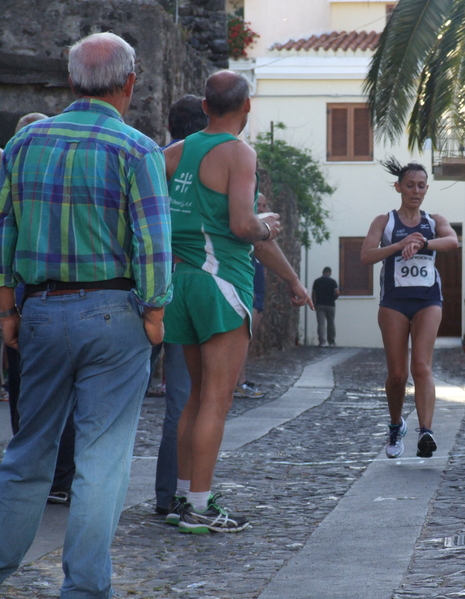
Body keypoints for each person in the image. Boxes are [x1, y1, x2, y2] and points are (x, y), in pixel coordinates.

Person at [0, 32, 172, 597]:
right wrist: (154, 314)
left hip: (41, 311)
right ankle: (85, 588)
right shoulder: (138, 149)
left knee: (29, 450)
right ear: (130, 81)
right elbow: (152, 243)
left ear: (70, 81)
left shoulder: (23, 145)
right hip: (115, 312)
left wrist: (7, 308)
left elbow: (6, 231)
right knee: (102, 458)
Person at [163, 70, 312, 533]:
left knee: (192, 398)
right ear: (247, 107)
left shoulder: (172, 153)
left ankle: (184, 497)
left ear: (205, 106)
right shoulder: (239, 154)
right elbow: (245, 227)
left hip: (180, 282)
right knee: (216, 400)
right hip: (221, 282)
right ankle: (202, 508)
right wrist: (267, 224)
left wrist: (289, 277)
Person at [361, 157, 458, 459]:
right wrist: (399, 247)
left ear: (426, 189)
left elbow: (453, 241)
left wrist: (423, 244)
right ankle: (395, 424)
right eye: (410, 185)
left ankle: (425, 431)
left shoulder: (433, 221)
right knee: (397, 375)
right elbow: (366, 255)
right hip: (394, 302)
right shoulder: (385, 221)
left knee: (421, 366)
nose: (415, 191)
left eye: (421, 186)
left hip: (428, 300)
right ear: (399, 187)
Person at [3, 112, 76, 506]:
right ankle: (59, 477)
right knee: (66, 395)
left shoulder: (16, 171)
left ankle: (34, 476)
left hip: (27, 299)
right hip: (54, 297)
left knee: (26, 392)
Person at [153, 95, 207, 518]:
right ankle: (173, 495)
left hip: (132, 289)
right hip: (180, 291)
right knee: (183, 401)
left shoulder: (151, 160)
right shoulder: (208, 164)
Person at [234, 192, 269, 399]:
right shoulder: (247, 229)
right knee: (242, 338)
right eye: (260, 205)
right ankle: (238, 383)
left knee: (248, 338)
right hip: (250, 292)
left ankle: (241, 380)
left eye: (265, 205)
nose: (264, 209)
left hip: (258, 292)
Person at [312, 266, 339, 347]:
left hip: (320, 304)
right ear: (329, 273)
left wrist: (314, 303)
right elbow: (337, 293)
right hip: (330, 305)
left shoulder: (317, 281)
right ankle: (331, 342)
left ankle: (322, 342)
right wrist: (334, 298)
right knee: (331, 323)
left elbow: (314, 293)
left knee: (321, 324)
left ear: (323, 272)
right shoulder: (333, 282)